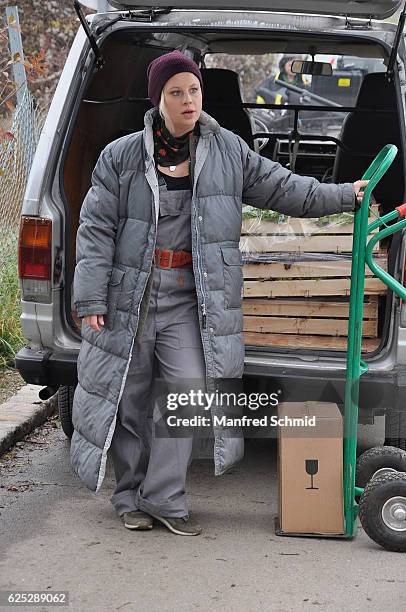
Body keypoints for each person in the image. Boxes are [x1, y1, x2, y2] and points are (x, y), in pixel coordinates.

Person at [71, 50, 368, 537]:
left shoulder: (227, 150)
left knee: (186, 395)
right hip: (134, 296)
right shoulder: (120, 157)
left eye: (194, 90)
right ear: (158, 101)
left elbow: (285, 188)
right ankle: (129, 498)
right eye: (176, 93)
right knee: (130, 400)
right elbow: (96, 230)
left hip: (193, 297)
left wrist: (344, 195)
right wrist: (91, 300)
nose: (188, 101)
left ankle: (164, 497)